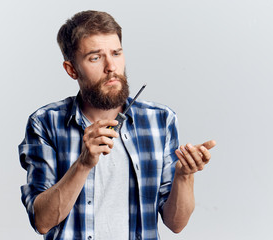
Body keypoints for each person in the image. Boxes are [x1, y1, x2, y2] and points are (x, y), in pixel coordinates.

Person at [19, 10, 216, 240]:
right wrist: (83, 164)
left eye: (116, 53)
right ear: (72, 69)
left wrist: (184, 176)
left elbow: (176, 223)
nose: (111, 66)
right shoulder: (46, 123)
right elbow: (42, 221)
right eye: (95, 57)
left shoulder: (161, 120)